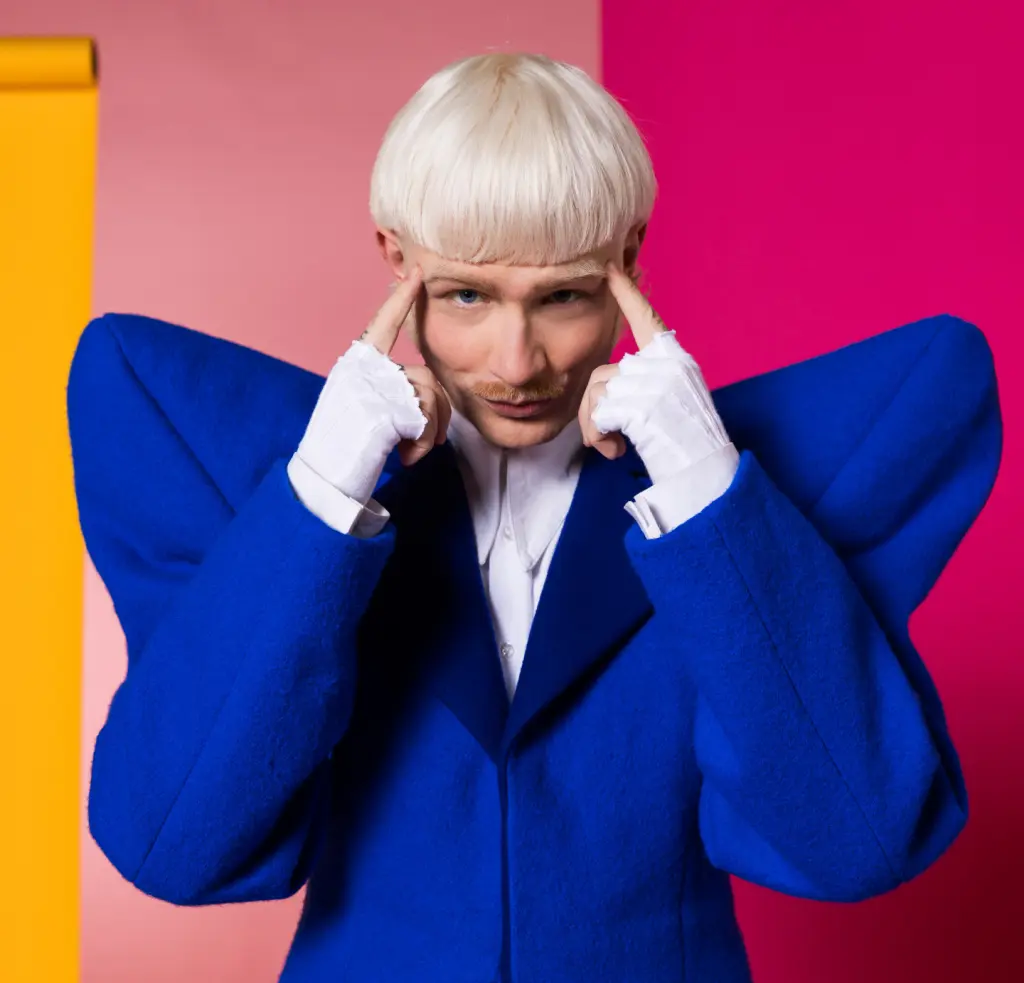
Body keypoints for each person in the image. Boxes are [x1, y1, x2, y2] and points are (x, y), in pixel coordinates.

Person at [67, 52, 1002, 983]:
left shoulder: (744, 497)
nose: (517, 363)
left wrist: (704, 486)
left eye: (562, 296)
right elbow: (172, 847)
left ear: (627, 259)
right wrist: (323, 492)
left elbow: (861, 841)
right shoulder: (282, 489)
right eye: (467, 295)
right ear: (396, 260)